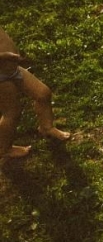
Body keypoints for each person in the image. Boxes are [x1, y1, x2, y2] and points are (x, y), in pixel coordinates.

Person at [0, 27, 70, 159]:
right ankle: (4, 149)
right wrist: (5, 56)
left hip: (13, 69)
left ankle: (46, 128)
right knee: (11, 112)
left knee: (43, 93)